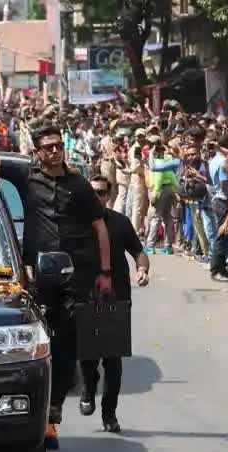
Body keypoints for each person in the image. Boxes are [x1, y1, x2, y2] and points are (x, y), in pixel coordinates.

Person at [0, 126, 114, 450]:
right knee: (37, 339)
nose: (54, 152)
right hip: (36, 275)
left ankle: (56, 405)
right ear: (36, 152)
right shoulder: (24, 175)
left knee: (68, 340)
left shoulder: (79, 185)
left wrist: (105, 271)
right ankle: (36, 412)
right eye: (47, 147)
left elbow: (99, 227)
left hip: (75, 273)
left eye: (58, 146)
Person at [81, 175, 150, 433]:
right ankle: (89, 387)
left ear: (108, 196)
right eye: (93, 192)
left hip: (117, 299)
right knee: (87, 357)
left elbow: (138, 251)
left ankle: (109, 414)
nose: (97, 197)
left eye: (101, 193)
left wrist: (142, 269)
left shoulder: (120, 222)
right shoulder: (76, 224)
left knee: (113, 361)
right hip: (85, 298)